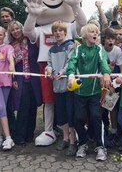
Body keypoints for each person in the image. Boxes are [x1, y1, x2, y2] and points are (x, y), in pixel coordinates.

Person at [23, 0, 87, 146]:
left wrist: (75, 6)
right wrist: (32, 15)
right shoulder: (42, 28)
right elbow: (27, 31)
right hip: (46, 66)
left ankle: (73, 131)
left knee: (69, 99)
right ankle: (49, 129)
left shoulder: (68, 26)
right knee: (49, 99)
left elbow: (83, 24)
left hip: (68, 68)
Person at [66, 23, 111, 161]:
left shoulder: (99, 49)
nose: (95, 34)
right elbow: (72, 63)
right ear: (85, 35)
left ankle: (100, 146)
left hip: (95, 92)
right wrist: (71, 75)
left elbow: (103, 64)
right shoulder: (78, 49)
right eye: (92, 31)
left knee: (96, 118)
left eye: (97, 32)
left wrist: (106, 73)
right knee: (78, 119)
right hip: (79, 92)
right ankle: (82, 144)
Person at [7, 21, 42, 145]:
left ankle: (29, 134)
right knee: (23, 108)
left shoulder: (31, 41)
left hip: (34, 78)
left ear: (22, 29)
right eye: (13, 30)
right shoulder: (10, 46)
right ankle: (19, 136)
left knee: (33, 107)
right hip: (20, 79)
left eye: (18, 28)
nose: (16, 31)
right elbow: (9, 65)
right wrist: (13, 79)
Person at [45, 20, 77, 156]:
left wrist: (63, 72)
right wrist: (49, 69)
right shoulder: (51, 49)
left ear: (65, 32)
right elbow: (49, 63)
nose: (57, 33)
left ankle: (73, 141)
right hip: (57, 87)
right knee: (61, 114)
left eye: (60, 30)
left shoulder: (70, 45)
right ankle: (65, 138)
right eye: (55, 31)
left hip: (69, 86)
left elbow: (71, 62)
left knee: (71, 113)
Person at [100, 28, 122, 147]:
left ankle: (114, 132)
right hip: (101, 82)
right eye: (108, 38)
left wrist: (117, 83)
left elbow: (121, 69)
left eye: (113, 39)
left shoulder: (117, 50)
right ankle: (102, 131)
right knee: (101, 109)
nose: (110, 41)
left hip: (114, 83)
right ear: (103, 39)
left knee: (112, 107)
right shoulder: (99, 49)